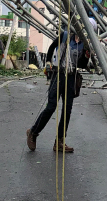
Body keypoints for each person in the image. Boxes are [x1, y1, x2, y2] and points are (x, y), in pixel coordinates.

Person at [26, 19, 94, 154]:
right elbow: (51, 48)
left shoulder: (85, 45)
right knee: (51, 107)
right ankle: (33, 132)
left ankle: (60, 142)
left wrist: (86, 57)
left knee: (67, 110)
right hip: (59, 74)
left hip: (72, 77)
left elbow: (80, 64)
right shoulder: (64, 36)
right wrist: (48, 63)